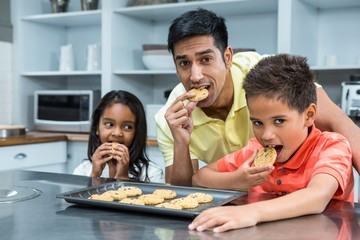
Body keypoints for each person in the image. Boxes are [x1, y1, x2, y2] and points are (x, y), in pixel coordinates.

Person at [154, 8, 360, 186]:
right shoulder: (171, 118)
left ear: (227, 57)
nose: (196, 76)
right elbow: (184, 191)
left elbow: (340, 124)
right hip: (241, 202)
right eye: (184, 63)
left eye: (206, 59)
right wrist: (181, 143)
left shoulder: (266, 74)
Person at [188, 53, 354, 232]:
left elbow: (318, 195)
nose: (266, 136)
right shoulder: (255, 151)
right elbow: (199, 178)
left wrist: (251, 212)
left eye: (279, 121)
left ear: (309, 115)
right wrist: (236, 179)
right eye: (257, 123)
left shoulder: (332, 147)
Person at [73, 90, 164, 183]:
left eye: (127, 127)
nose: (117, 133)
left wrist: (123, 178)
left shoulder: (152, 174)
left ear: (136, 132)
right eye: (109, 124)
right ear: (97, 127)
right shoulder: (82, 171)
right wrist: (94, 177)